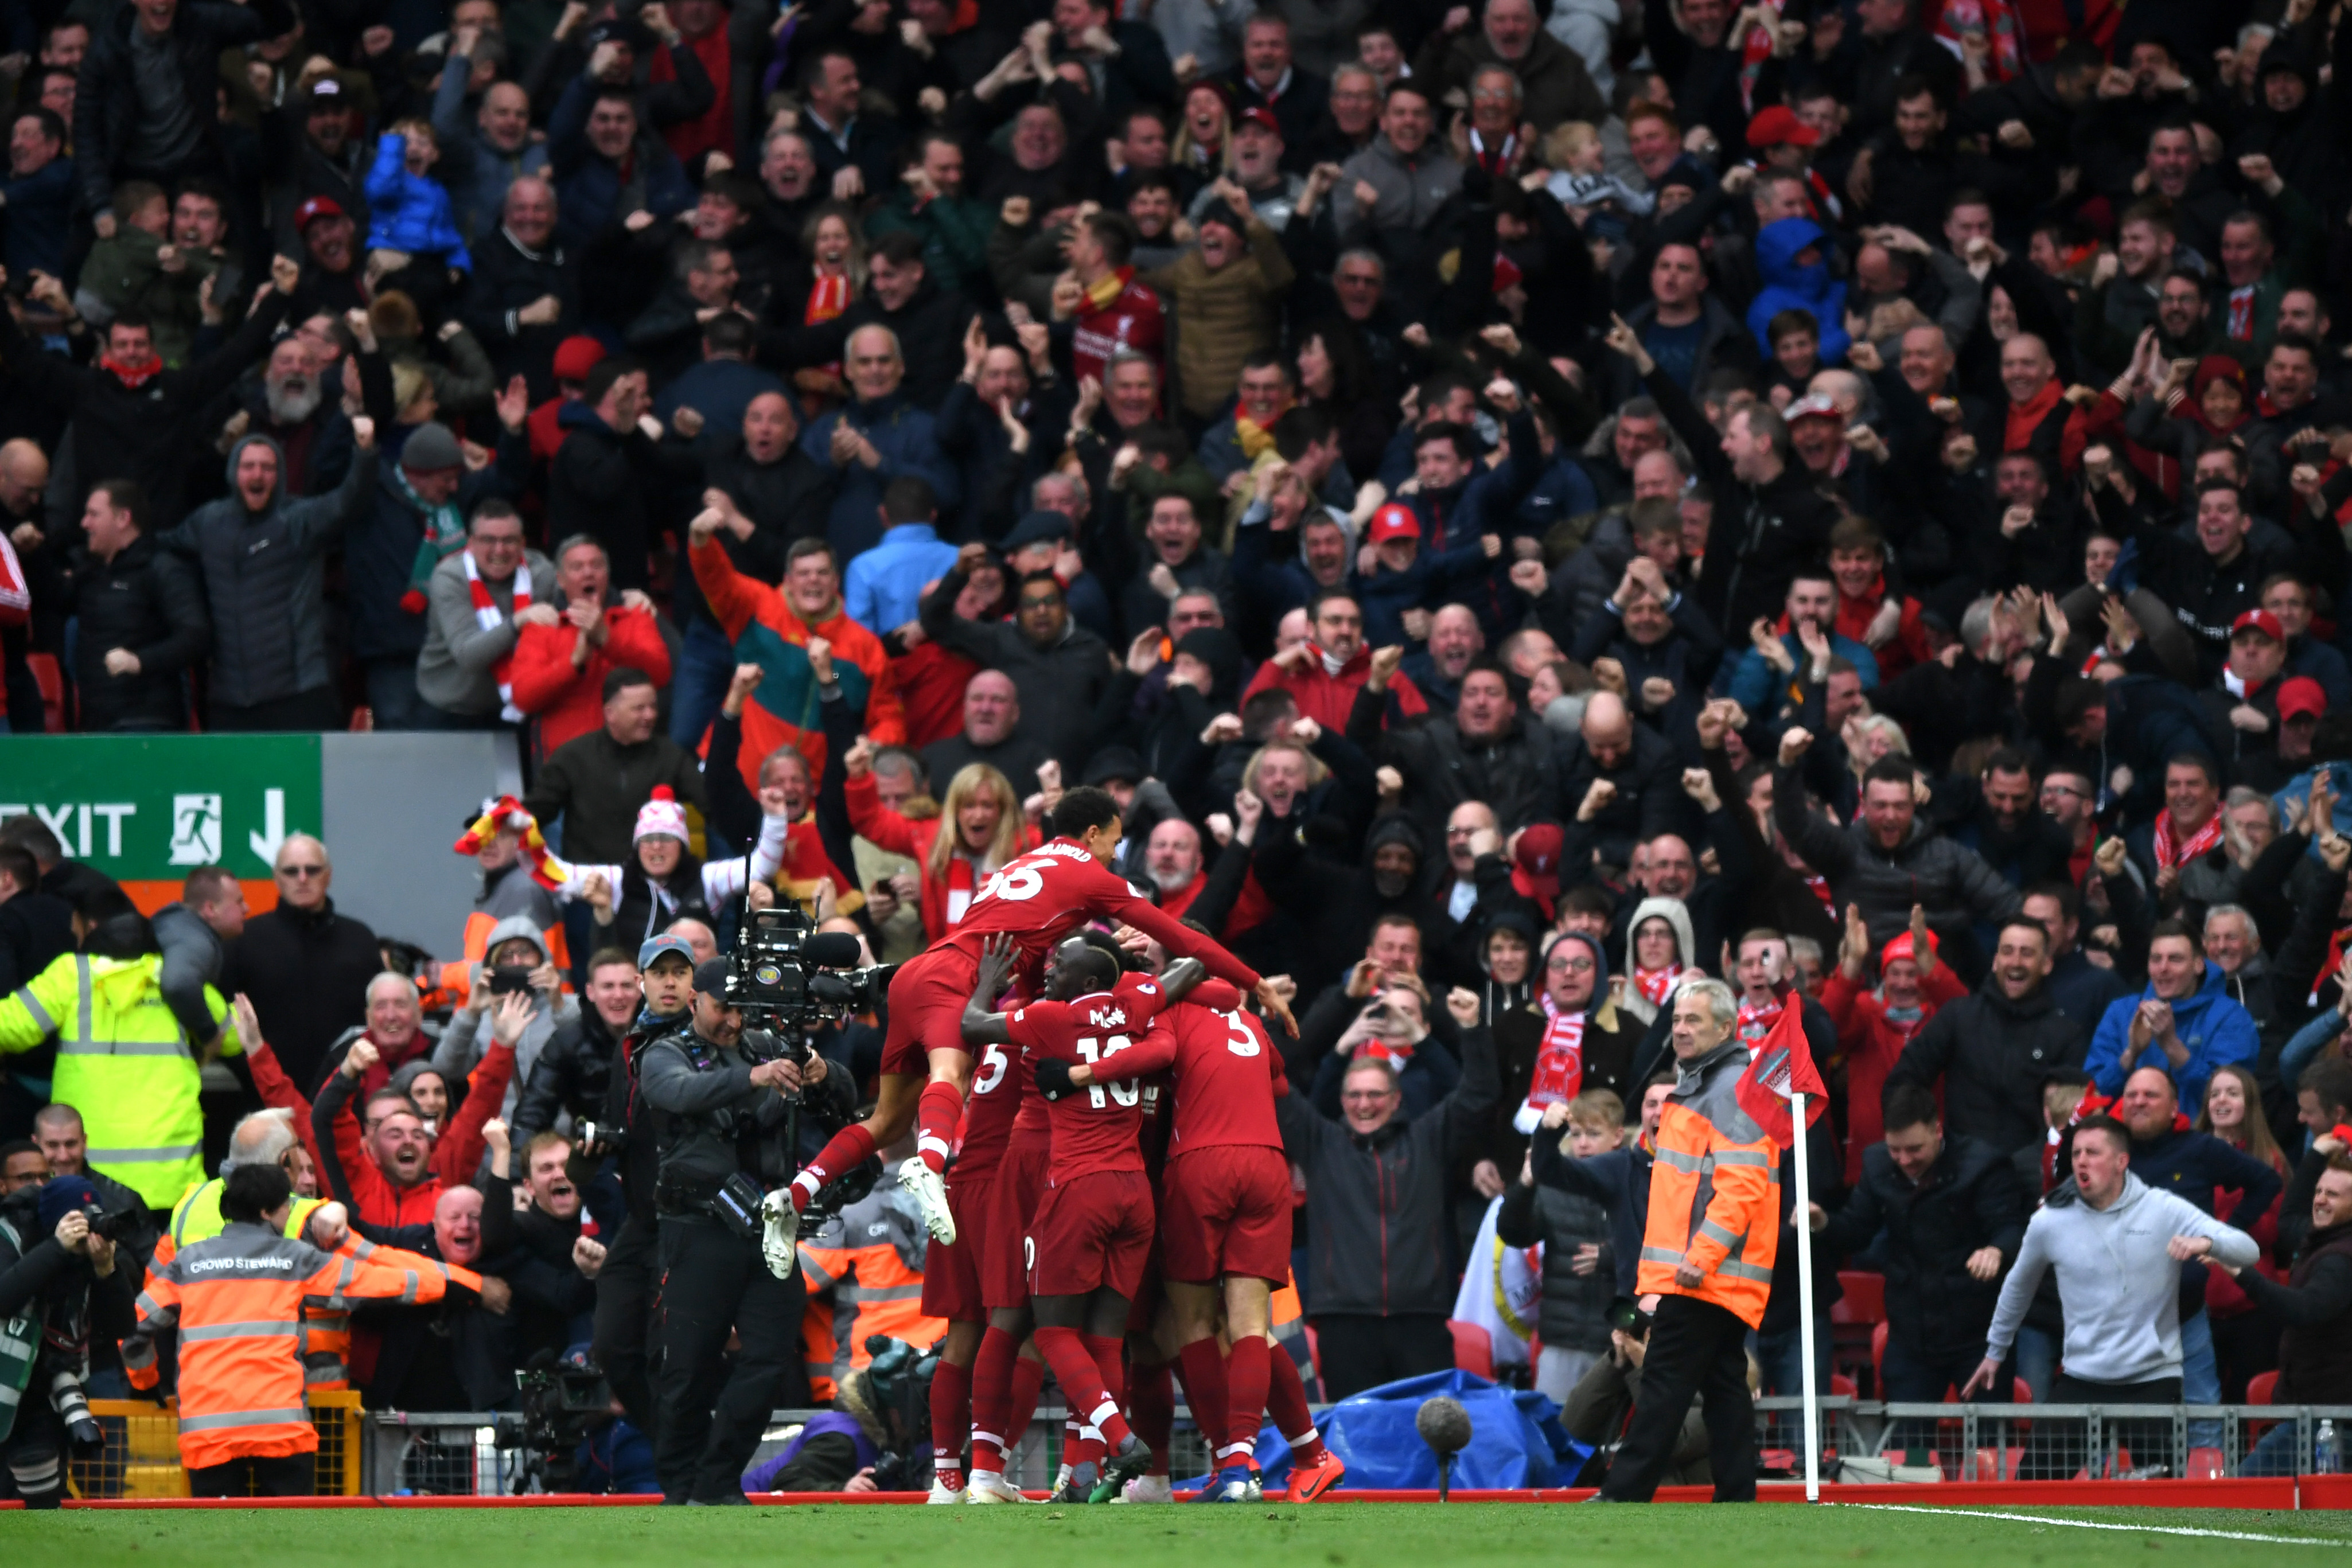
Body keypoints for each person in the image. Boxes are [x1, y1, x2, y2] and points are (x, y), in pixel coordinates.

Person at [122, 1163, 474, 1497]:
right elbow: (371, 1282)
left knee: (220, 1552)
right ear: (265, 1212)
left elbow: (132, 1329)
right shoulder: (293, 1258)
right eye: (286, 1206)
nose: (290, 1214)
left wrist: (145, 1381)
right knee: (289, 1549)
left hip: (209, 1434)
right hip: (280, 1430)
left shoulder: (189, 1262)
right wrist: (443, 1284)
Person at [640, 955, 847, 1504]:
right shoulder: (665, 1051)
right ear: (695, 1003)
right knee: (688, 1365)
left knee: (771, 1355)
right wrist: (751, 1077)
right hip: (696, 1228)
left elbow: (843, 1099)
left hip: (766, 1229)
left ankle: (718, 1477)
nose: (733, 1019)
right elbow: (677, 1093)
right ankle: (680, 1484)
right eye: (722, 1007)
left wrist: (824, 1074)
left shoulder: (767, 1044)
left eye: (740, 1008)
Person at [1969, 1114, 2260, 1479]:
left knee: (2167, 1502)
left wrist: (2208, 1243)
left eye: (2093, 1152)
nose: (2081, 1162)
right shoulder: (2050, 1221)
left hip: (2154, 1377)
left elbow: (2248, 1250)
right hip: (2082, 1376)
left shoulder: (2163, 1208)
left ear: (2121, 1161)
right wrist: (1995, 1350)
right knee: (2031, 1488)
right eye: (2076, 1154)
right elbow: (2018, 1285)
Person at [1596, 978, 1778, 1504]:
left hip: (1703, 1271)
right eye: (1677, 1019)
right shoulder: (1708, 1085)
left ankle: (1622, 1493)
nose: (1680, 1029)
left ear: (1727, 1028)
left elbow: (1741, 1186)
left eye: (1693, 1020)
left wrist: (1700, 1257)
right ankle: (1737, 1494)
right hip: (1711, 1272)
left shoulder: (1729, 1091)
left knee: (1664, 1383)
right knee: (1723, 1386)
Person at [1277, 986, 1501, 1400]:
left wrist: (1434, 1035)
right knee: (1358, 1444)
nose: (1364, 1104)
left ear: (1397, 1099)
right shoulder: (1321, 1143)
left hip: (1422, 1321)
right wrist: (1333, 1041)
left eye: (1375, 1094)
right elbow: (1272, 1082)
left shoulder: (1429, 1139)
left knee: (1430, 1440)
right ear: (1341, 1100)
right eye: (1355, 1095)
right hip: (1345, 1325)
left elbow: (1480, 1094)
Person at [1809, 1082, 2024, 1455]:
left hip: (1977, 1331)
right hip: (1912, 1332)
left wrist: (1995, 1250)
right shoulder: (1878, 1165)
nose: (1905, 1159)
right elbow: (1857, 1231)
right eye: (1896, 1149)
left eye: (1915, 1149)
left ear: (1938, 1131)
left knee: (1990, 1446)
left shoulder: (1983, 1164)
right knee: (1907, 1448)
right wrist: (1824, 1224)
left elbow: (2012, 1225)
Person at [1, 906, 234, 1214]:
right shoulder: (172, 980)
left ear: (92, 928)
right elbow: (234, 1038)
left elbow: (10, 1027)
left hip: (87, 1188)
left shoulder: (73, 975)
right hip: (173, 1186)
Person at [223, 835, 380, 1091]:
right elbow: (219, 1020)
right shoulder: (244, 941)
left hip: (348, 1096)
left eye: (313, 870)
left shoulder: (359, 939)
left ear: (328, 875)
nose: (303, 878)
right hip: (265, 1100)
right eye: (291, 871)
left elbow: (378, 1022)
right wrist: (252, 1075)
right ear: (276, 878)